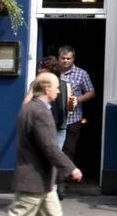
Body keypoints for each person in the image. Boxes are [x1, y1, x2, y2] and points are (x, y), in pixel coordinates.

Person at [8, 72, 83, 216]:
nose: (59, 90)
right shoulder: (39, 112)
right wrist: (71, 168)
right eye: (56, 87)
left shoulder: (29, 107)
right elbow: (49, 147)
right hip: (33, 181)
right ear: (46, 89)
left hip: (44, 182)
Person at [58, 45, 94, 198]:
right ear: (58, 58)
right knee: (55, 150)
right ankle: (54, 182)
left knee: (68, 150)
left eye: (68, 58)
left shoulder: (81, 74)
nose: (65, 61)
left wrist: (76, 99)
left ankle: (62, 182)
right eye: (63, 58)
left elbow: (91, 92)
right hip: (55, 118)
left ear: (73, 59)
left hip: (73, 118)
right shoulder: (53, 72)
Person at [23, 56, 69, 150]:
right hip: (43, 125)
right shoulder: (36, 84)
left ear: (51, 70)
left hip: (59, 128)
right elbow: (26, 103)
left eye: (42, 68)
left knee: (53, 157)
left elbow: (68, 108)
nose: (39, 70)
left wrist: (73, 104)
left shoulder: (65, 85)